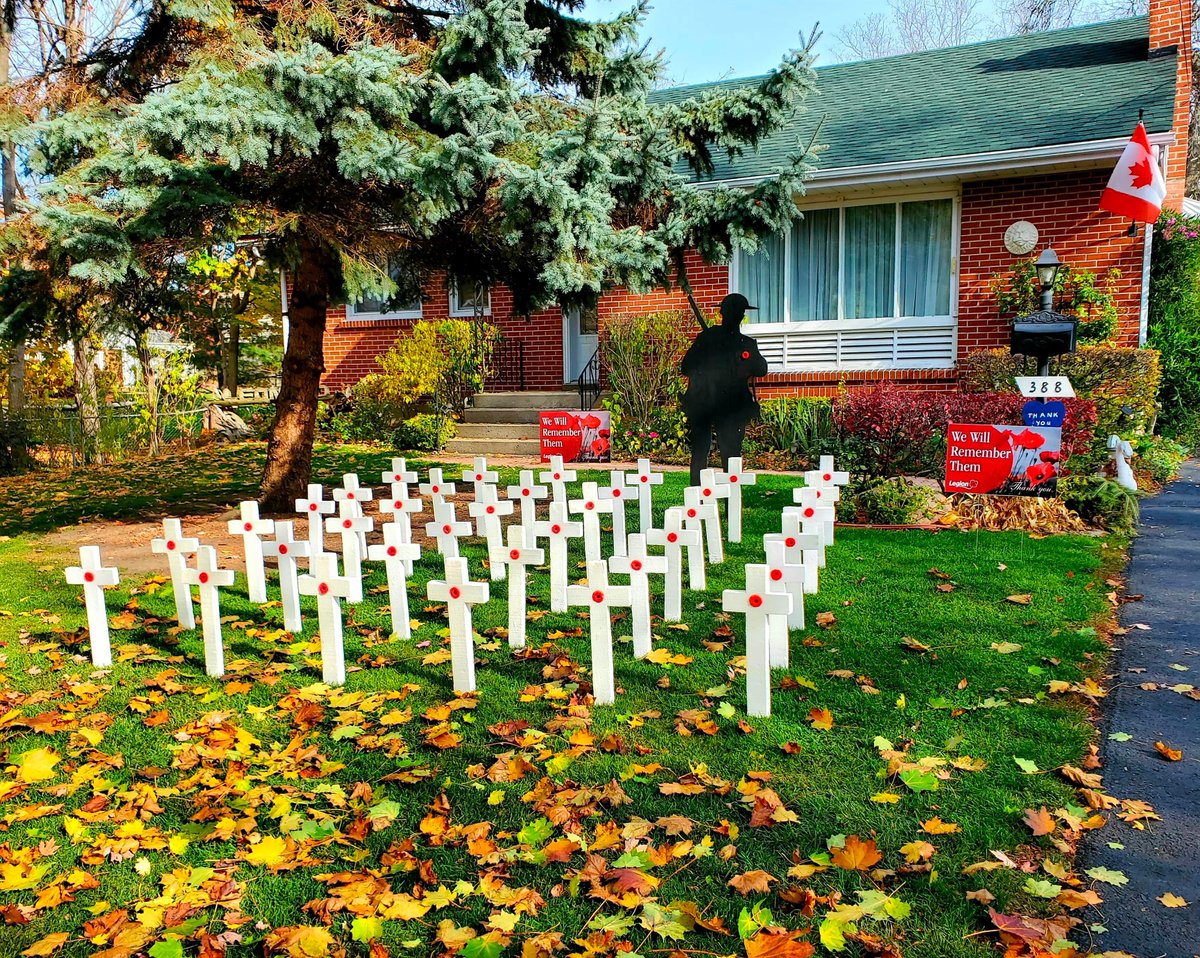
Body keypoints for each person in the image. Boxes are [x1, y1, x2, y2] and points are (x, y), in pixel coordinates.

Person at [680, 293, 769, 485]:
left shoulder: (745, 344)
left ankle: (728, 502)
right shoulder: (709, 338)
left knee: (728, 455)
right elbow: (687, 367)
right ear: (741, 315)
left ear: (722, 313)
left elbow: (761, 369)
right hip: (705, 403)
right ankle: (698, 498)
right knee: (703, 452)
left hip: (730, 408)